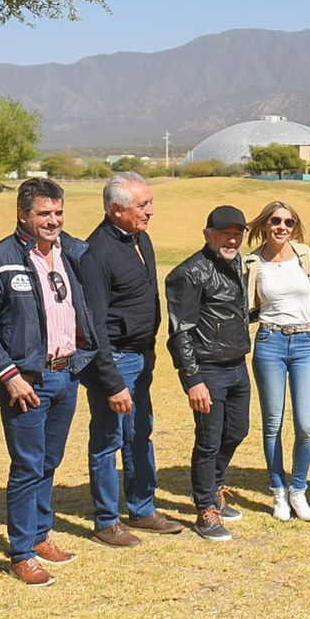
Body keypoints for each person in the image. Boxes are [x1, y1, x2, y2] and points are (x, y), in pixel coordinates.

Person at [0, 178, 98, 587]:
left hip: (66, 374)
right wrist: (8, 375)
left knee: (49, 461)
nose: (53, 221)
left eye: (58, 212)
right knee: (27, 465)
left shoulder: (74, 252)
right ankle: (22, 552)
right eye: (43, 213)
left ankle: (41, 534)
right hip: (26, 381)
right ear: (22, 214)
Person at [76, 172, 186, 548]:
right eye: (142, 205)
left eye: (150, 203)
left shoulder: (141, 239)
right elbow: (93, 325)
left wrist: (150, 346)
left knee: (140, 433)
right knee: (109, 439)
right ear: (116, 209)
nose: (150, 211)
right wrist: (111, 381)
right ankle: (107, 520)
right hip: (114, 361)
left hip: (140, 356)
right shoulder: (96, 253)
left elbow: (146, 298)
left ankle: (142, 508)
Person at [166, 205, 254, 542]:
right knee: (208, 441)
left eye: (237, 233)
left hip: (237, 365)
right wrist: (193, 379)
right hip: (208, 370)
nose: (232, 239)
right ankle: (205, 509)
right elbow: (180, 332)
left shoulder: (237, 264)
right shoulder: (190, 273)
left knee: (238, 430)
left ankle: (215, 487)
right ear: (208, 234)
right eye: (224, 233)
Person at [243, 200, 310, 523]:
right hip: (270, 342)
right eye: (276, 221)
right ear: (265, 224)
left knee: (305, 425)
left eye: (288, 222)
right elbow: (241, 303)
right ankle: (278, 491)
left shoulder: (305, 255)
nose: (282, 227)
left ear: (295, 227)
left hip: (305, 342)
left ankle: (298, 489)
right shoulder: (252, 262)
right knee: (273, 423)